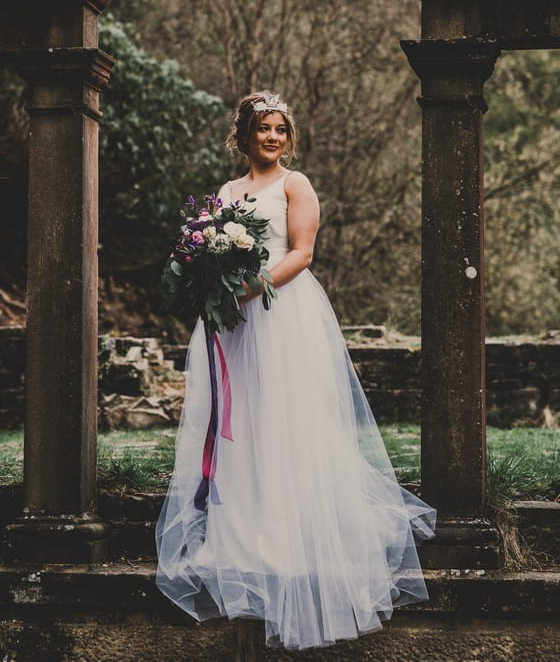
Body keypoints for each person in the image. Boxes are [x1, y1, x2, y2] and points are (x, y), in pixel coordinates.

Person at [156, 90, 436, 651]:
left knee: (287, 415)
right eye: (263, 128)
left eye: (281, 129)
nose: (273, 137)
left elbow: (302, 252)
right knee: (244, 421)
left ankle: (296, 531)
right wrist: (212, 282)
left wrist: (250, 288)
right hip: (233, 323)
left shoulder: (295, 184)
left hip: (282, 311)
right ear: (244, 134)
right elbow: (205, 250)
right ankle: (245, 531)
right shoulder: (227, 193)